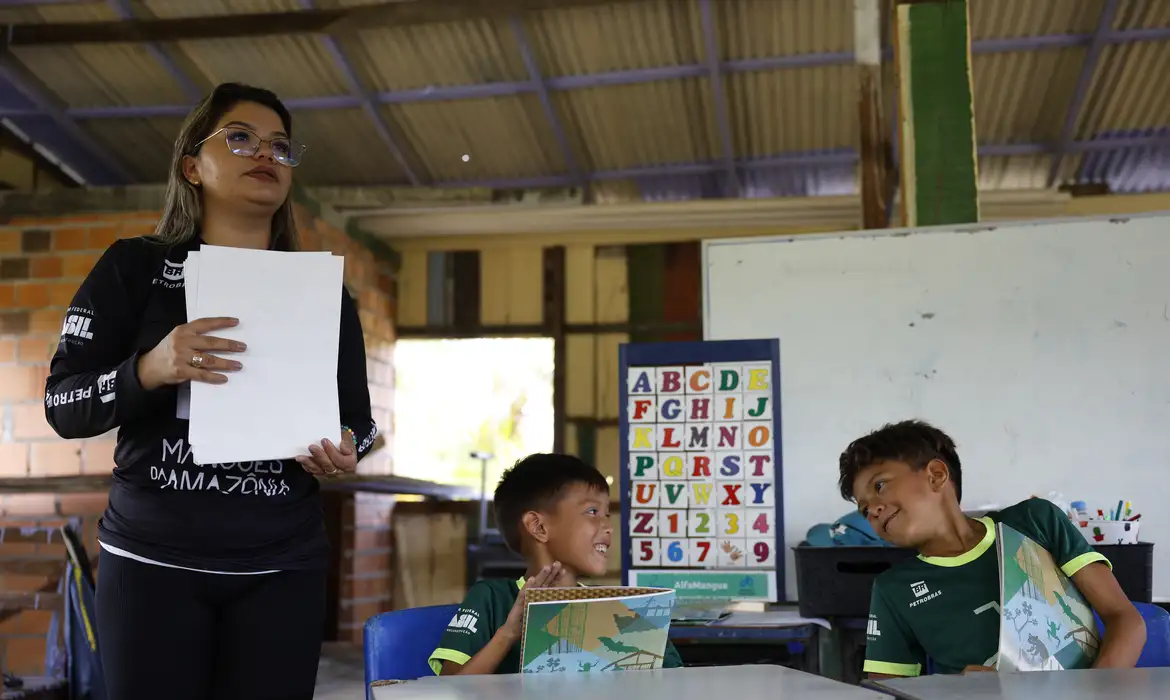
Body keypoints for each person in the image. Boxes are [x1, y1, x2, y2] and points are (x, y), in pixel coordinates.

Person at [44, 83, 378, 700]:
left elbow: (362, 421)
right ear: (191, 166)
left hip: (282, 565)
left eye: (281, 145)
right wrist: (149, 368)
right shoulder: (133, 268)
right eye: (241, 138)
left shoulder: (324, 294)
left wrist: (347, 446)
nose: (267, 154)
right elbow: (61, 403)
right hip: (150, 563)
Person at [839, 420, 1146, 678]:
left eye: (880, 486)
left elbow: (1125, 620)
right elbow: (888, 690)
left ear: (936, 475)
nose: (873, 510)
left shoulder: (1035, 522)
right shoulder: (893, 590)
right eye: (864, 509)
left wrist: (1093, 693)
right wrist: (957, 690)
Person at [428, 453, 683, 674]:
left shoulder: (622, 608)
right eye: (592, 512)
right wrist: (508, 634)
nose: (608, 527)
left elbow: (674, 681)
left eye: (607, 514)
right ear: (538, 527)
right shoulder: (492, 599)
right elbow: (453, 688)